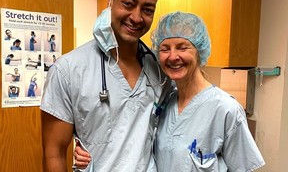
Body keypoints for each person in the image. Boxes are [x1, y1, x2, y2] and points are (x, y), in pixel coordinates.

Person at [74, 11, 265, 171]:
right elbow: (132, 140)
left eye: (182, 47)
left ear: (199, 51)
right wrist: (88, 152)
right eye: (165, 49)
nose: (173, 57)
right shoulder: (164, 102)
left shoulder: (226, 110)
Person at [40, 0, 171, 172]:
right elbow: (53, 154)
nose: (136, 17)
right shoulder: (68, 70)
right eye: (128, 3)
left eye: (147, 10)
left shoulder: (160, 72)